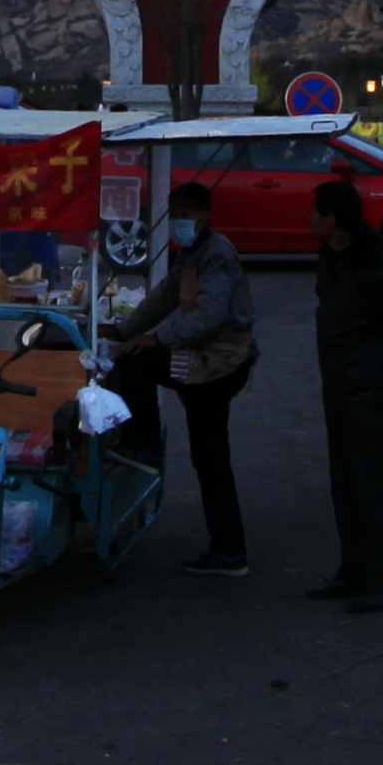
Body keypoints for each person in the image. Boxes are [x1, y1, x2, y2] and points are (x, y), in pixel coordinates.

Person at [101, 173, 258, 576]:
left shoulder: (217, 254)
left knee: (210, 457)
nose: (178, 222)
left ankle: (145, 445)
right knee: (209, 455)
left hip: (216, 362)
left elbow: (207, 317)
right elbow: (164, 298)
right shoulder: (191, 254)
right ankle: (228, 546)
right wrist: (123, 330)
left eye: (185, 214)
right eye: (174, 214)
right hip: (198, 354)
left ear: (204, 215)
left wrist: (152, 340)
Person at [305, 174, 383, 614]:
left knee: (368, 484)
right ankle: (353, 568)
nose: (310, 220)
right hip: (340, 384)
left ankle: (381, 578)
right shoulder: (331, 257)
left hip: (369, 388)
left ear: (333, 219)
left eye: (315, 212)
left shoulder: (377, 265)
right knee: (345, 483)